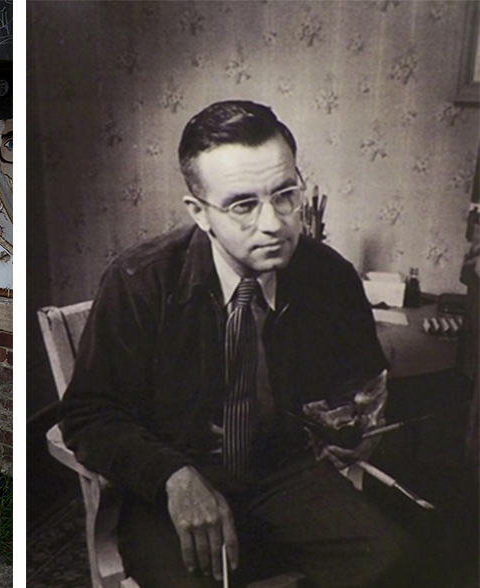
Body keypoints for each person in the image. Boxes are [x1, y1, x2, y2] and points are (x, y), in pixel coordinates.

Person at [58, 100, 407, 588]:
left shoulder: (329, 275)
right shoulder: (140, 281)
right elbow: (89, 414)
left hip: (283, 474)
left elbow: (361, 381)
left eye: (286, 194)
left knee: (391, 559)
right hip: (175, 484)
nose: (274, 223)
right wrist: (173, 477)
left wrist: (356, 418)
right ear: (199, 213)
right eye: (243, 205)